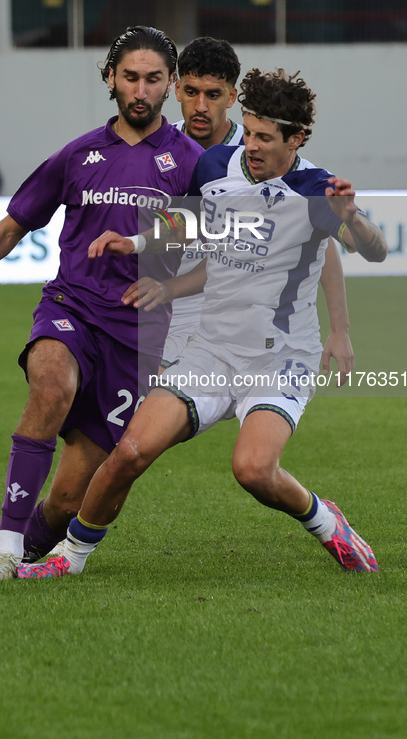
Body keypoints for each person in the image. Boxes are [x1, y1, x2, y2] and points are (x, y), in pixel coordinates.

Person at [19, 67, 387, 580]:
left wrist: (352, 219)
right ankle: (69, 558)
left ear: (296, 139)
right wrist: (137, 244)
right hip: (211, 349)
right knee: (130, 450)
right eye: (248, 130)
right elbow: (188, 226)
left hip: (279, 357)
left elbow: (373, 249)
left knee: (253, 470)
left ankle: (326, 522)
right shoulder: (215, 165)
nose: (250, 145)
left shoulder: (318, 191)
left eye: (264, 137)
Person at [0, 25, 203, 581]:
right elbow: (14, 224)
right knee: (51, 382)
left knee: (68, 499)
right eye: (131, 77)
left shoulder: (191, 164)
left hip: (136, 340)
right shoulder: (80, 154)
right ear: (111, 79)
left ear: (171, 86)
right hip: (73, 304)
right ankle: (5, 544)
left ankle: (26, 551)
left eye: (154, 79)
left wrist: (173, 283)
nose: (140, 90)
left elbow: (217, 251)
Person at [164, 37, 353, 380]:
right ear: (176, 90)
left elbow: (319, 243)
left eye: (214, 94)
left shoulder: (266, 156)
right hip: (160, 296)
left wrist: (340, 330)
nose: (201, 106)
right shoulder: (160, 147)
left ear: (232, 97)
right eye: (191, 92)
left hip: (218, 312)